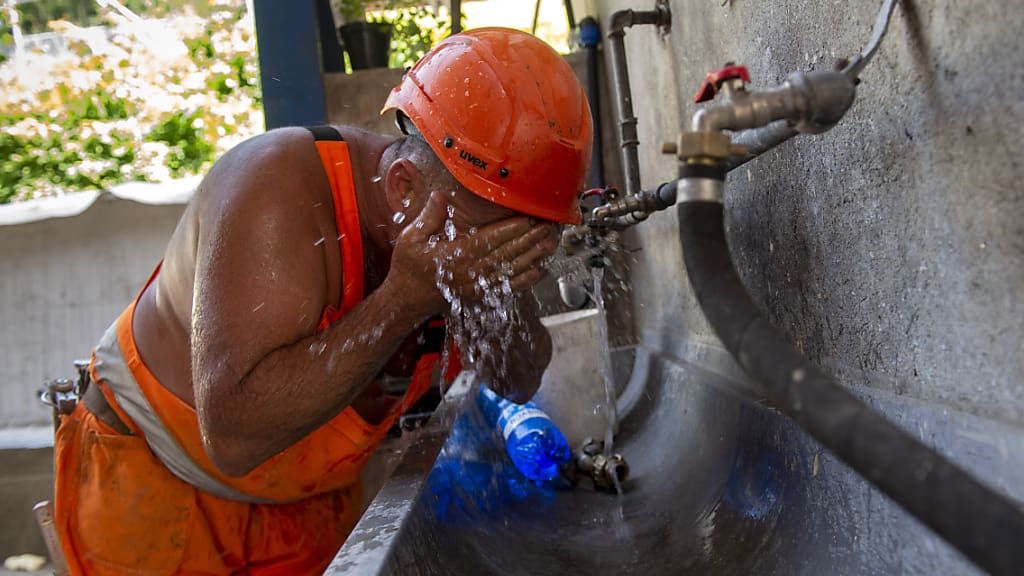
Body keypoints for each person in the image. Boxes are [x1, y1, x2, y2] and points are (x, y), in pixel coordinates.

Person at [52, 26, 593, 575]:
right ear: (405, 188)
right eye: (497, 233)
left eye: (530, 232)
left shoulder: (458, 231)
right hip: (158, 493)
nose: (505, 250)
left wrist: (495, 286)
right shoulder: (278, 192)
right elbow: (234, 437)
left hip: (307, 504)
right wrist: (403, 299)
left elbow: (518, 380)